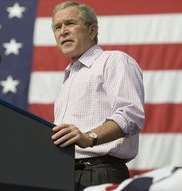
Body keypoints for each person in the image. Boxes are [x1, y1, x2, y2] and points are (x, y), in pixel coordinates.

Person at [50, 1, 145, 190]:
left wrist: (89, 137)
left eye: (70, 23)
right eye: (57, 27)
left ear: (92, 31)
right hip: (64, 175)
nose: (63, 31)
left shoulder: (113, 60)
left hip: (100, 173)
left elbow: (131, 114)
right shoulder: (69, 77)